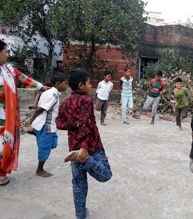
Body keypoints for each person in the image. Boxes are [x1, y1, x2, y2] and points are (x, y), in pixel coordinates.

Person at [56, 69, 112, 219]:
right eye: (88, 83)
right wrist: (84, 149)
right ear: (81, 85)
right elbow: (85, 124)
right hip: (91, 146)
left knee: (78, 182)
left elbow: (59, 124)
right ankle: (88, 161)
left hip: (74, 148)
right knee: (106, 175)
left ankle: (80, 214)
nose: (90, 86)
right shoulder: (86, 100)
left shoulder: (65, 103)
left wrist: (74, 124)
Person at [0, 39, 48, 185]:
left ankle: (1, 172)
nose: (8, 55)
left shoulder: (8, 70)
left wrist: (41, 86)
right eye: (6, 52)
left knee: (6, 144)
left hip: (7, 118)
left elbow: (23, 78)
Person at [30, 73, 68, 177]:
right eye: (65, 83)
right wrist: (31, 122)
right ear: (58, 84)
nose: (67, 86)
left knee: (52, 143)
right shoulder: (53, 95)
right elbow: (39, 109)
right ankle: (40, 169)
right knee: (45, 148)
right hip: (46, 126)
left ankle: (34, 131)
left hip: (48, 125)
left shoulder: (49, 92)